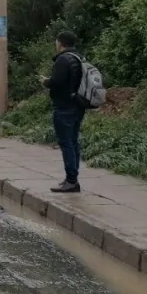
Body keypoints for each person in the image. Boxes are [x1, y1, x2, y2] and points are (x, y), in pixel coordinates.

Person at [41, 30, 86, 193]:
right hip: (78, 105)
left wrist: (46, 82)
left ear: (60, 43)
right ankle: (72, 178)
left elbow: (57, 82)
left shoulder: (63, 60)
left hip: (64, 106)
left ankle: (71, 180)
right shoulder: (78, 58)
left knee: (66, 142)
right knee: (73, 141)